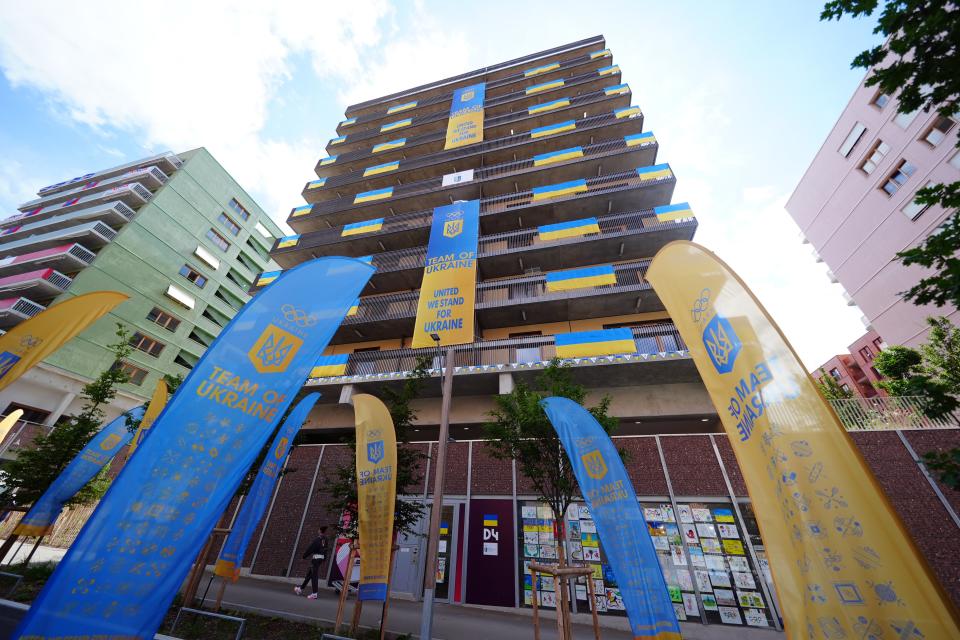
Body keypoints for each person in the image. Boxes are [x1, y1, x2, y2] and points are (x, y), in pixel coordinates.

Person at [294, 526, 329, 599]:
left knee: (314, 576)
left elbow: (311, 548)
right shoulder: (325, 540)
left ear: (320, 531)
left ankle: (314, 593)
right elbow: (325, 549)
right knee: (309, 574)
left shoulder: (317, 539)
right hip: (321, 558)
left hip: (316, 559)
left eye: (318, 529)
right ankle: (300, 589)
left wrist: (304, 556)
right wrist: (324, 558)